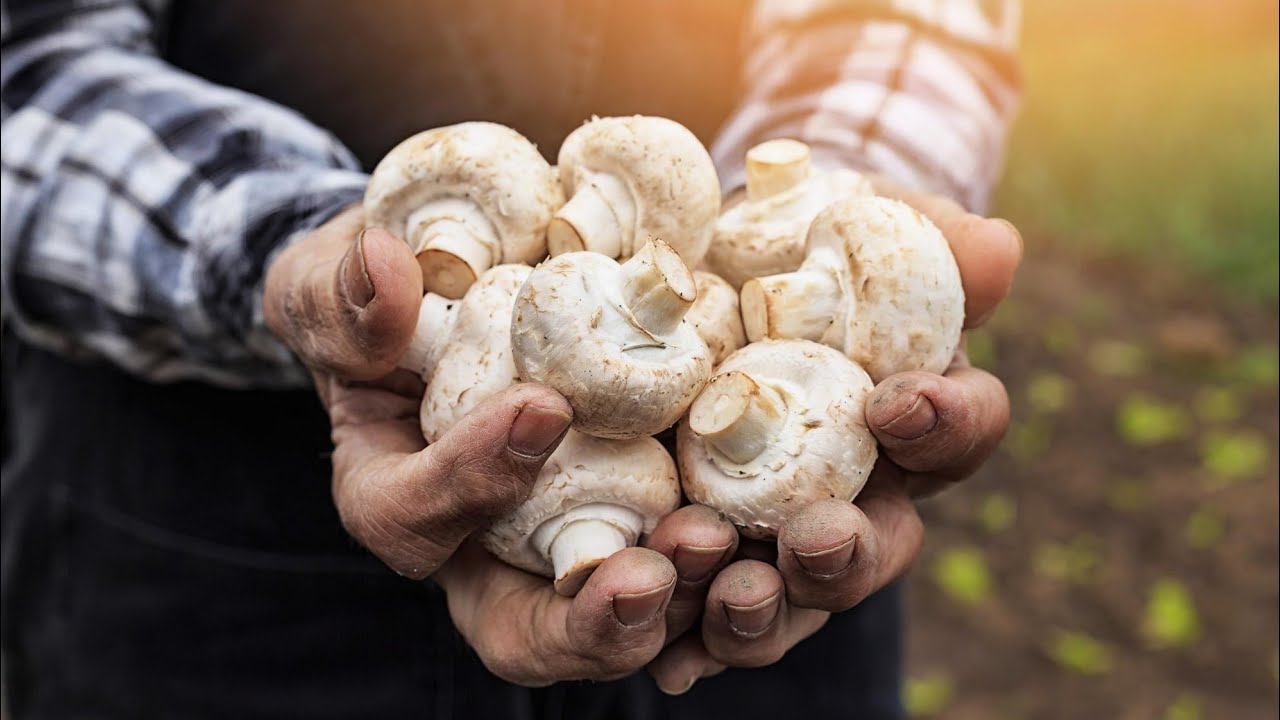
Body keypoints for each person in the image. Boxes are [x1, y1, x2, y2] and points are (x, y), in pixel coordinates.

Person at [0, 1, 1023, 718]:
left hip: (752, 561)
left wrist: (846, 203)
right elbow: (31, 65)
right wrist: (303, 254)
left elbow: (902, 22)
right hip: (208, 546)